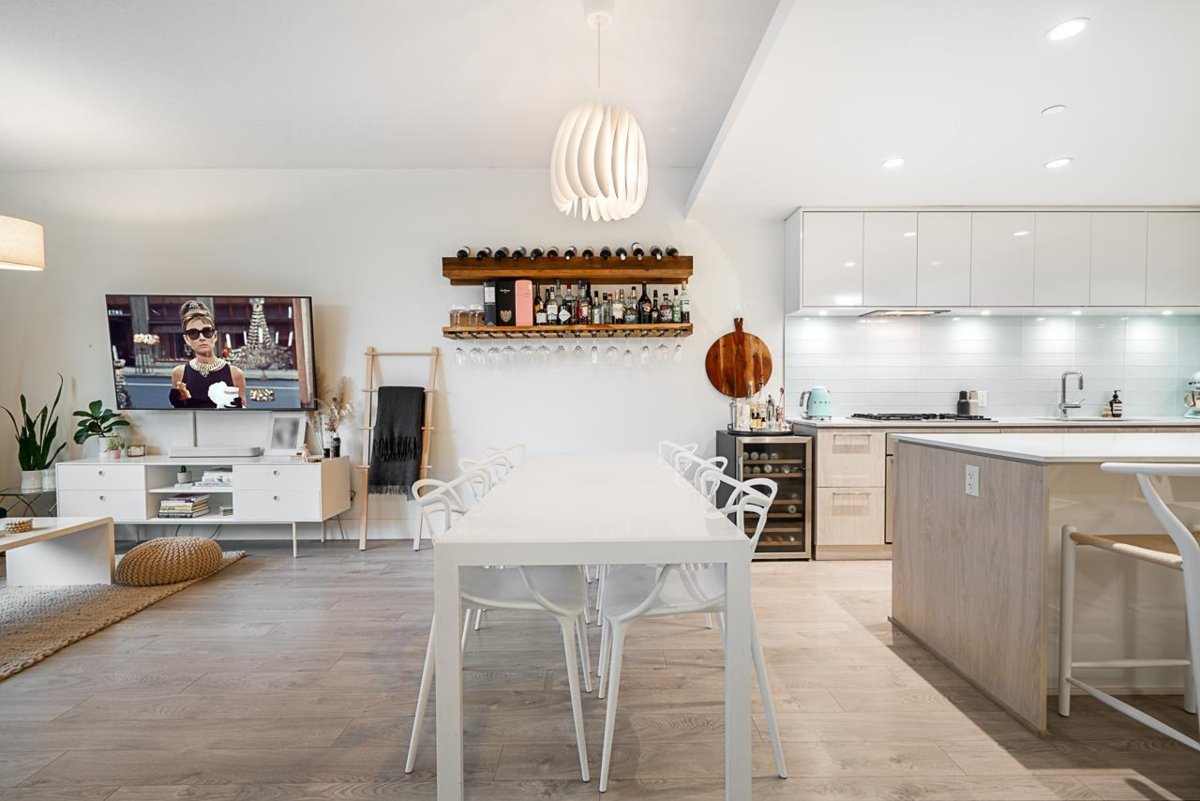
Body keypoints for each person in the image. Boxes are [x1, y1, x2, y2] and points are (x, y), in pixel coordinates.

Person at [169, 300, 247, 408]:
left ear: (214, 336)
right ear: (186, 339)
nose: (201, 338)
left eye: (207, 332)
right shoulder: (178, 373)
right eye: (193, 333)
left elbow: (245, 414)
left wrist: (239, 408)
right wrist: (178, 405)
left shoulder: (235, 374)